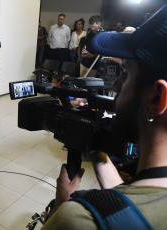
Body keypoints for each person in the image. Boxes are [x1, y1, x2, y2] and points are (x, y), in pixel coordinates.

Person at [41, 4, 167, 229]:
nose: (116, 84)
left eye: (126, 73)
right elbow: (135, 203)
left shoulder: (80, 220)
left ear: (157, 99)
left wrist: (59, 212)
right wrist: (97, 152)